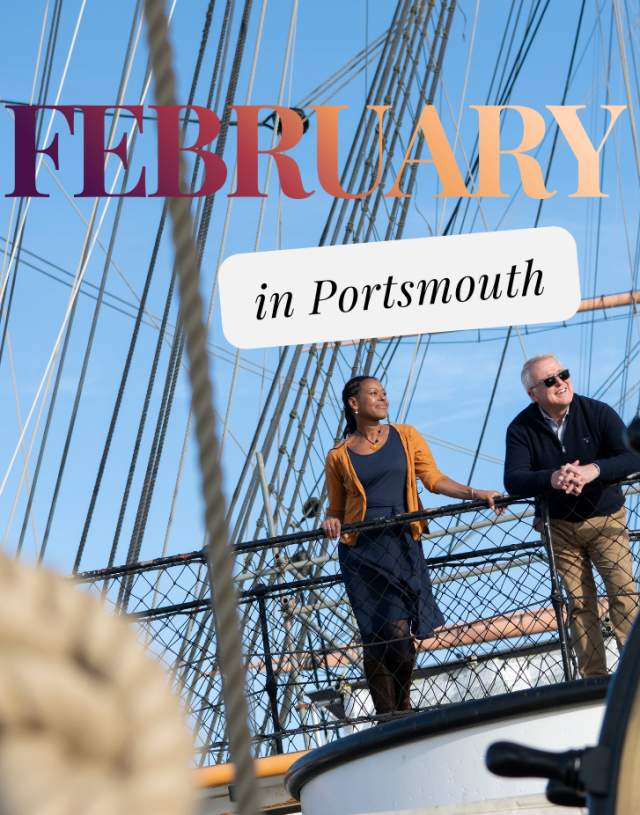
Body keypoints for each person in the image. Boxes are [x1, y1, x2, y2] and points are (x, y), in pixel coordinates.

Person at [322, 375, 502, 716]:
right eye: (373, 393)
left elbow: (433, 480)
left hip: (401, 542)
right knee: (375, 634)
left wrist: (476, 494)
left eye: (384, 393)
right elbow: (335, 508)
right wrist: (330, 521)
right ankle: (386, 716)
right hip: (361, 551)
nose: (383, 398)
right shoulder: (338, 456)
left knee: (399, 634)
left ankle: (401, 706)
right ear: (354, 403)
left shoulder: (405, 436)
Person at [504, 354, 640, 678]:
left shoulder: (596, 412)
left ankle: (634, 675)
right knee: (579, 604)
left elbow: (632, 457)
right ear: (533, 393)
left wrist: (593, 471)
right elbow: (514, 479)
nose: (561, 382)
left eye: (563, 374)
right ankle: (593, 679)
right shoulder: (521, 428)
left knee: (623, 593)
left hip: (605, 518)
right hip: (559, 527)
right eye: (550, 380)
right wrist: (552, 478)